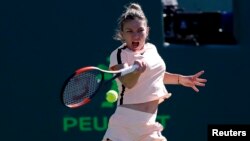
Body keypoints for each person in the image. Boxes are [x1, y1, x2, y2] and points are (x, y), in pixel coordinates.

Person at [102, 3, 207, 141]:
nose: (136, 35)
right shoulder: (119, 54)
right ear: (122, 34)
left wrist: (180, 79)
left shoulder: (151, 49)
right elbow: (128, 83)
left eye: (140, 30)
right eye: (129, 31)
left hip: (148, 124)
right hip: (125, 124)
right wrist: (137, 71)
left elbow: (155, 76)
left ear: (147, 31)